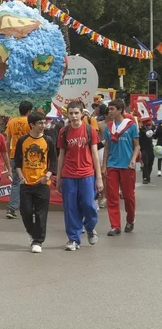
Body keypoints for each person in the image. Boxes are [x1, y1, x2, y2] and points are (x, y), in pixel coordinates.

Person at [56, 101, 103, 251]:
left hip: (87, 174)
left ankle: (90, 227)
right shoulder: (63, 132)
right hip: (69, 175)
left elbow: (95, 154)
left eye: (76, 113)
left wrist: (99, 177)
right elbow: (61, 155)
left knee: (89, 205)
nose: (74, 116)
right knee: (71, 208)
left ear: (82, 113)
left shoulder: (90, 130)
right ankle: (73, 239)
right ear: (67, 115)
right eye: (71, 113)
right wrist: (58, 178)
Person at [15, 112, 57, 253]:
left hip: (42, 183)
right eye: (40, 123)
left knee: (41, 213)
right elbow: (17, 161)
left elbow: (54, 162)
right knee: (25, 212)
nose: (43, 126)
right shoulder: (22, 140)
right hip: (26, 183)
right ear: (32, 125)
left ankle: (38, 241)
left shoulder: (48, 140)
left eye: (44, 123)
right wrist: (21, 177)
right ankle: (32, 233)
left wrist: (47, 176)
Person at [103, 99, 140, 236]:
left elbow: (136, 146)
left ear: (120, 110)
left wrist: (133, 159)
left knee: (128, 196)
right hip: (112, 165)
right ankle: (115, 226)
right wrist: (104, 165)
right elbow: (106, 148)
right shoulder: (109, 127)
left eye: (112, 109)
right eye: (109, 109)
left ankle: (130, 220)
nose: (109, 112)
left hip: (127, 166)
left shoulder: (131, 126)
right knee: (112, 197)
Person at [4, 100, 33, 218]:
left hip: (14, 155)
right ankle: (29, 209)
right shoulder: (30, 122)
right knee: (30, 182)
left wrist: (7, 153)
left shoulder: (11, 122)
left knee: (16, 183)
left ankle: (11, 209)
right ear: (29, 111)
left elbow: (7, 140)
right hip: (28, 156)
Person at [138, 117, 155, 184]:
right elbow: (147, 134)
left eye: (149, 125)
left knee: (151, 163)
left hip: (150, 149)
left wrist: (153, 126)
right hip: (144, 149)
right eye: (147, 125)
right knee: (146, 163)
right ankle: (145, 177)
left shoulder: (151, 129)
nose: (149, 126)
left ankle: (148, 176)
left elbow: (152, 133)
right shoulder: (141, 130)